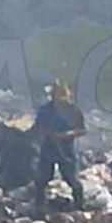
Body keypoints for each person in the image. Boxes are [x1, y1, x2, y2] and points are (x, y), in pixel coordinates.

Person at [31, 79, 86, 211]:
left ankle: (79, 206)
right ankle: (39, 207)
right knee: (42, 179)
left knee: (72, 178)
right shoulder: (45, 110)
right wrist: (46, 133)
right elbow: (38, 127)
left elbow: (82, 130)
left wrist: (66, 135)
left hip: (66, 150)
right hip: (48, 148)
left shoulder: (73, 110)